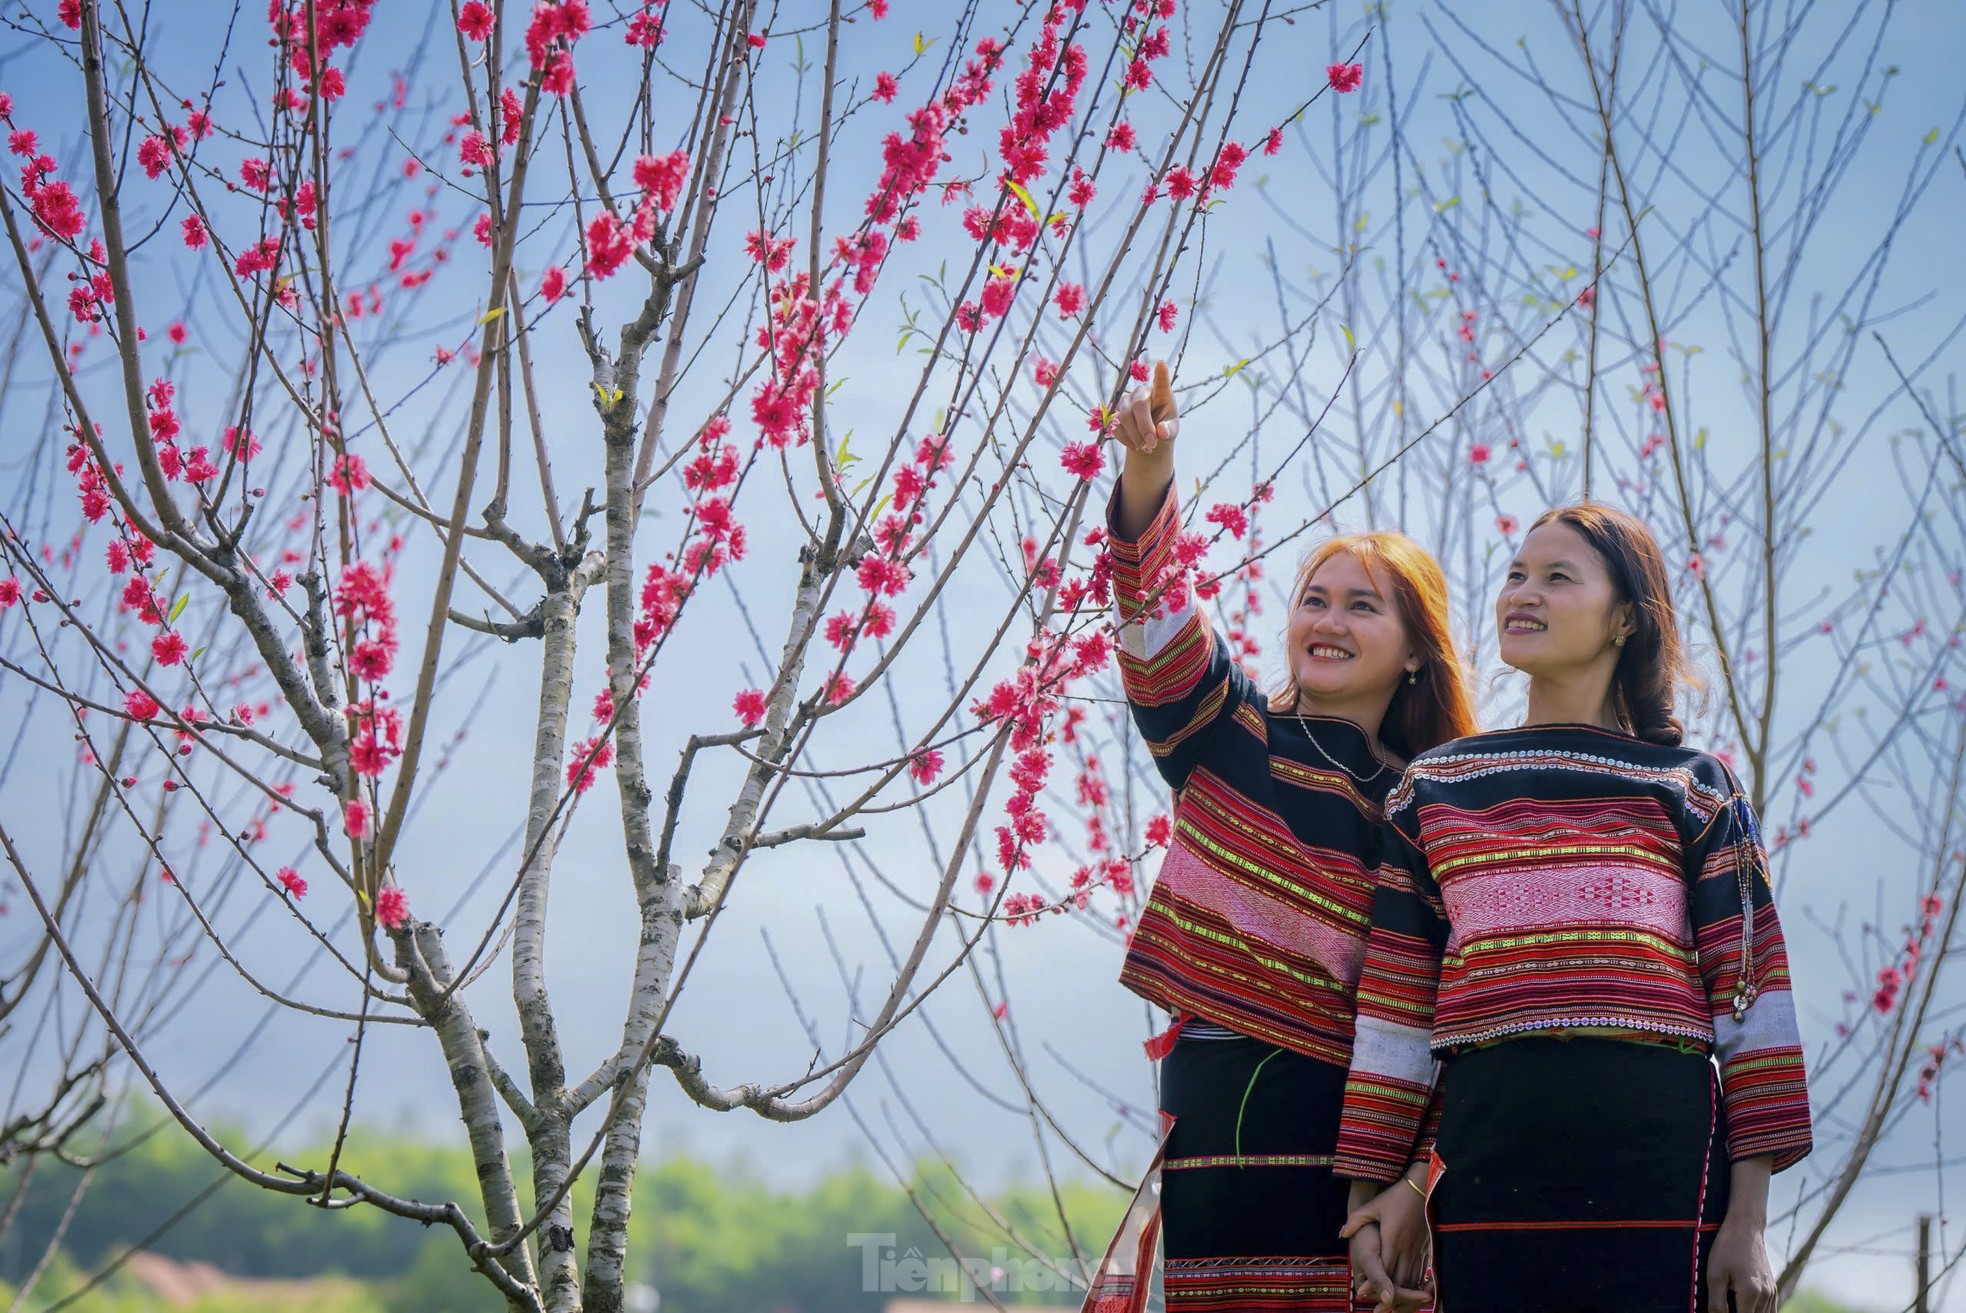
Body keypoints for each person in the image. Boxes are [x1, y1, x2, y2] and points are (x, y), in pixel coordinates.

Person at [1333, 503, 1813, 1313]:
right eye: (1517, 573)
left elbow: (1754, 1001)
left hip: (1660, 1162)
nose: (1523, 592)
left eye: (1558, 576)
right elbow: (1398, 1011)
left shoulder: (1692, 785)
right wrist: (1369, 1199)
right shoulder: (1436, 789)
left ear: (1626, 615)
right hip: (1488, 1156)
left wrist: (1750, 1222)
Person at [1106, 362, 1477, 1310]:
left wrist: (1409, 1178)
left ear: (1416, 648)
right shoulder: (1232, 735)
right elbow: (1155, 628)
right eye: (1316, 597)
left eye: (1363, 605)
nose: (1329, 619)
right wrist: (1149, 470)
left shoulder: (1433, 809)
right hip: (1211, 1105)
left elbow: (1444, 1012)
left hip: (1352, 1133)